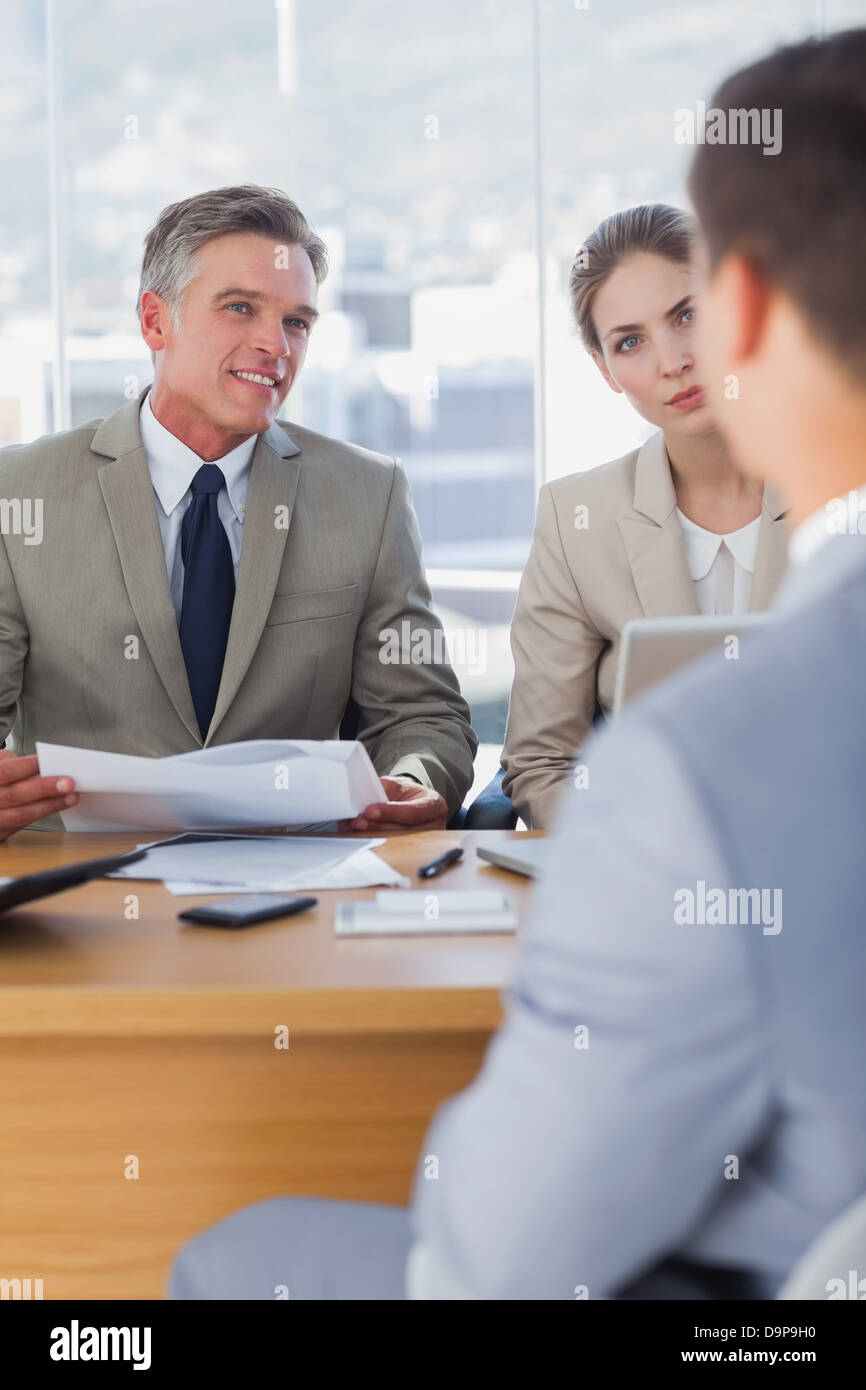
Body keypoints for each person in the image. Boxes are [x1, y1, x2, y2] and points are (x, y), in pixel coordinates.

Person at [169, 28, 866, 1299]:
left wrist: (435, 777)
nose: (666, 359)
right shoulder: (588, 528)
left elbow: (496, 1258)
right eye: (625, 339)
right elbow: (530, 751)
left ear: (745, 312)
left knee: (231, 1256)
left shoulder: (699, 776)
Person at [0, 185, 476, 837]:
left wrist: (416, 780)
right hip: (83, 898)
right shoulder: (20, 491)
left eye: (296, 321)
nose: (275, 345)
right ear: (154, 321)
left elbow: (423, 716)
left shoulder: (369, 493)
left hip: (295, 891)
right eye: (241, 308)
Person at [501, 204, 788, 829]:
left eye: (687, 315)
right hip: (656, 873)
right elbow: (542, 765)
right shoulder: (576, 520)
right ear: (605, 370)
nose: (672, 360)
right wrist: (659, 840)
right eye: (630, 341)